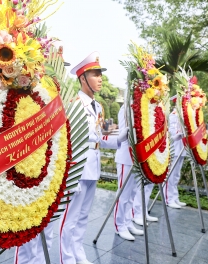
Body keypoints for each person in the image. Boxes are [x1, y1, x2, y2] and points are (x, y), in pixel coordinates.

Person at [59, 52, 128, 264]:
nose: (100, 78)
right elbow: (66, 138)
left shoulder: (97, 106)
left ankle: (78, 253)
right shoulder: (73, 102)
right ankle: (67, 258)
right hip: (77, 168)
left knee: (82, 217)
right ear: (82, 78)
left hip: (93, 166)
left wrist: (124, 136)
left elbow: (99, 138)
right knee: (69, 219)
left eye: (100, 74)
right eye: (95, 74)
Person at [113, 104, 144, 241]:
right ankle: (119, 225)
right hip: (126, 156)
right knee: (123, 195)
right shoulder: (126, 107)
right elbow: (126, 132)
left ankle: (127, 221)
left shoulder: (141, 105)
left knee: (132, 194)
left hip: (137, 156)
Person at [165, 103, 187, 209]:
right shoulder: (174, 114)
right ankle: (168, 199)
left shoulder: (185, 113)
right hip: (174, 148)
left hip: (182, 148)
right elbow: (172, 132)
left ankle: (174, 197)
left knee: (176, 176)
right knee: (171, 175)